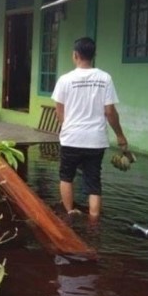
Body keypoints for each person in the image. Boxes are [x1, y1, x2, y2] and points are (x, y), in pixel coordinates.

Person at [51, 37, 128, 219]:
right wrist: (120, 135)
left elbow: (59, 111)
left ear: (75, 55)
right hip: (96, 140)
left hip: (71, 138)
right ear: (94, 55)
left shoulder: (65, 79)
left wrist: (68, 128)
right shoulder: (105, 78)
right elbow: (110, 112)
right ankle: (94, 220)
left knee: (66, 176)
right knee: (93, 181)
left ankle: (70, 213)